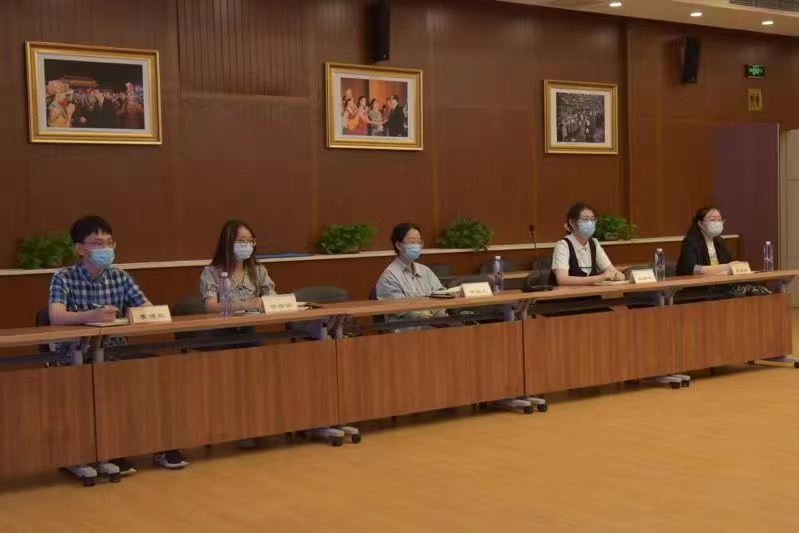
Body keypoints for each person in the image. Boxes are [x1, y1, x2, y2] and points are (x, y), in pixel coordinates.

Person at [49, 215, 189, 474]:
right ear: (79, 248)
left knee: (157, 371)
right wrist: (89, 316)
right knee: (102, 379)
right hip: (75, 355)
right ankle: (101, 452)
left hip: (115, 352)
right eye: (97, 243)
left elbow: (146, 308)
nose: (105, 248)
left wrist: (147, 314)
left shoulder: (120, 276)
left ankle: (161, 444)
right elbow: (56, 315)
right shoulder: (64, 277)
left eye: (109, 243)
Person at [375, 223, 447, 322]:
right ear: (398, 245)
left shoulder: (425, 270)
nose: (417, 246)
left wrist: (440, 313)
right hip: (408, 327)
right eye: (412, 242)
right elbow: (402, 309)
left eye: (419, 242)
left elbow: (441, 294)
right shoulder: (389, 276)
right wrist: (430, 317)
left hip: (433, 322)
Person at [201, 220, 276, 313]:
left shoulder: (259, 270)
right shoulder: (211, 272)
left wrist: (266, 302)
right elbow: (211, 307)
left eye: (250, 241)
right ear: (227, 243)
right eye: (241, 241)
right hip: (225, 322)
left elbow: (272, 298)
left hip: (253, 321)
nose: (247, 245)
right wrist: (243, 305)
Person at [551, 202, 626, 286]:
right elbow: (562, 279)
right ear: (572, 222)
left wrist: (618, 275)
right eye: (585, 219)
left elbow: (611, 270)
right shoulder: (563, 245)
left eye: (593, 219)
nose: (590, 223)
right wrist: (599, 278)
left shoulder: (594, 243)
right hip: (569, 294)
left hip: (593, 292)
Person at [676, 207, 735, 276]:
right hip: (698, 281)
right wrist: (725, 267)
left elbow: (729, 262)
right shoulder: (690, 242)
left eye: (719, 219)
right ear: (700, 223)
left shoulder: (720, 242)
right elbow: (692, 269)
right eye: (712, 220)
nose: (717, 223)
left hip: (720, 280)